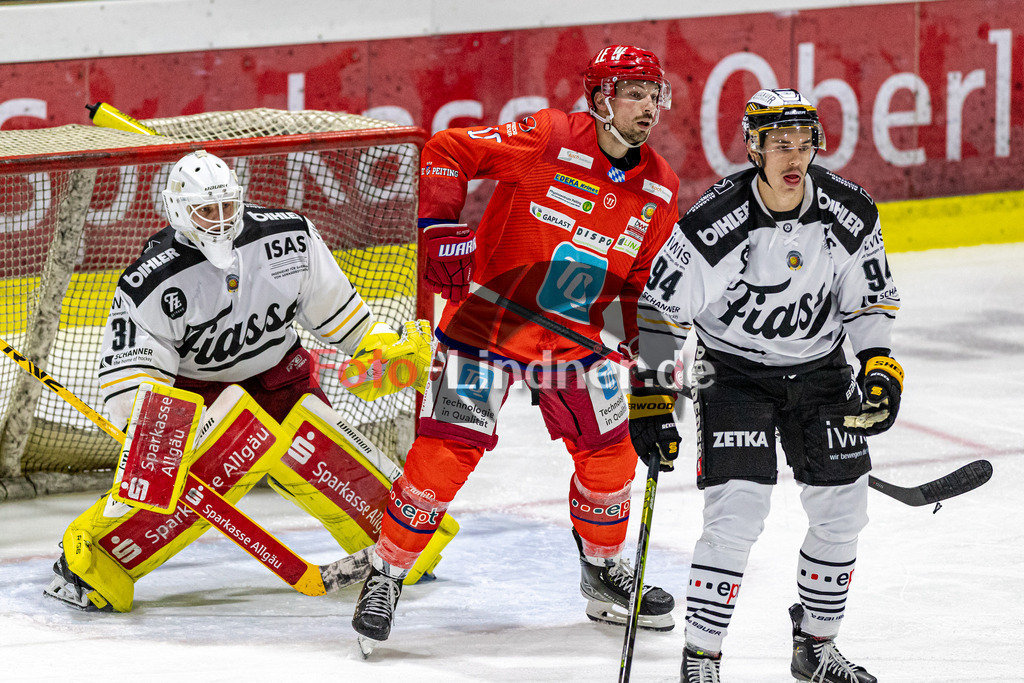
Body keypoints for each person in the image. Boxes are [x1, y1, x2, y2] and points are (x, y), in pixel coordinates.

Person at [351, 45, 682, 652]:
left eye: (653, 94)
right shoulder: (548, 136)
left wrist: (656, 374)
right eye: (633, 93)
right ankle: (387, 573)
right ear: (601, 99)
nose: (648, 107)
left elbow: (643, 290)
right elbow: (448, 151)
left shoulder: (660, 186)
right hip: (486, 324)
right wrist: (440, 224)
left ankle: (604, 572)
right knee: (443, 457)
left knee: (612, 454)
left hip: (575, 340)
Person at [45, 149, 432, 610]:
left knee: (324, 446)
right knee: (173, 480)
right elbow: (135, 378)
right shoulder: (150, 282)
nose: (219, 220)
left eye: (227, 206)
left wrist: (382, 348)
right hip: (202, 398)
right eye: (205, 211)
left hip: (280, 381)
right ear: (177, 210)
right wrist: (153, 428)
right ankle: (91, 565)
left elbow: (346, 319)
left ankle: (408, 549)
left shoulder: (290, 238)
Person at [632, 88, 900, 682]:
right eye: (781, 144)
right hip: (735, 375)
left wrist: (879, 367)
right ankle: (701, 658)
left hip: (823, 372)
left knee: (843, 513)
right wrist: (651, 396)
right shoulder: (715, 223)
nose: (795, 157)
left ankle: (815, 647)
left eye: (805, 145)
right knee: (736, 514)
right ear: (754, 147)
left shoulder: (848, 212)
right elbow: (659, 311)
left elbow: (869, 300)